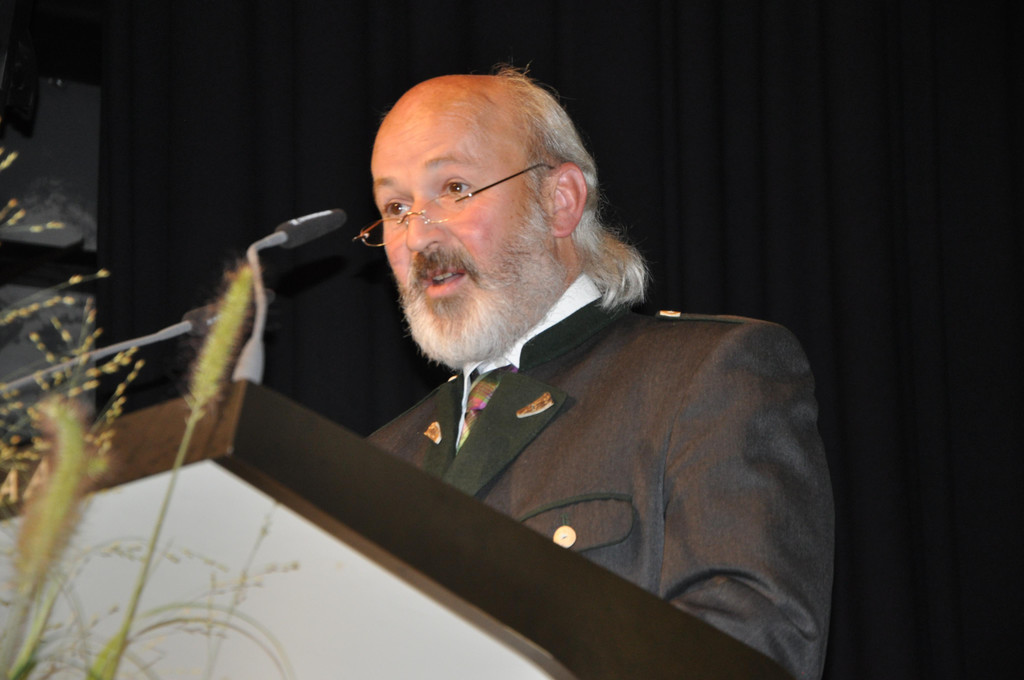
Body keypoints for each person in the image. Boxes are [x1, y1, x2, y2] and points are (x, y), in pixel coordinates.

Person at [361, 67, 833, 680]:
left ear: (559, 200)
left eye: (454, 188)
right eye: (395, 207)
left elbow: (747, 647)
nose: (418, 236)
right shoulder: (379, 460)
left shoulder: (704, 375)